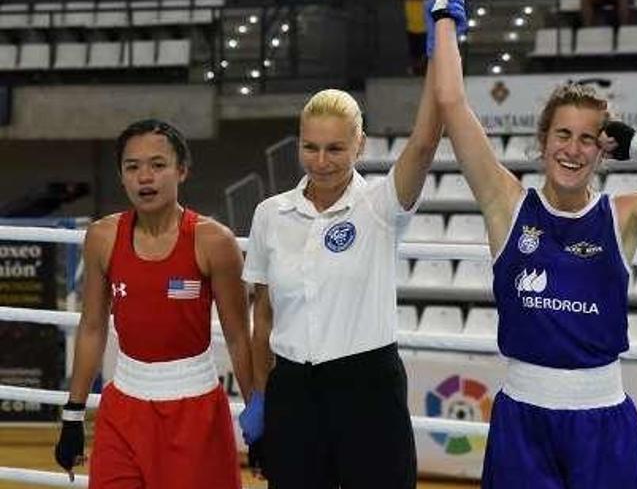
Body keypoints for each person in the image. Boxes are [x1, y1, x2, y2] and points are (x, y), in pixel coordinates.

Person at [429, 0, 637, 487]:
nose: (572, 150)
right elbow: (451, 104)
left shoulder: (624, 215)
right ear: (543, 140)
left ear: (603, 149)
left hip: (603, 421)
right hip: (522, 420)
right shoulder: (507, 204)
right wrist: (443, 16)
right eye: (562, 135)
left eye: (587, 139)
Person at [238, 33, 448, 486]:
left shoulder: (380, 206)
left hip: (368, 389)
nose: (321, 160)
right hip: (292, 393)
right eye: (310, 146)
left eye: (335, 148)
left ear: (360, 145)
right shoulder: (270, 214)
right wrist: (260, 395)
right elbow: (264, 315)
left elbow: (427, 139)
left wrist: (439, 47)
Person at [53, 119, 255, 488]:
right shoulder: (103, 237)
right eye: (133, 167)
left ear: (182, 170)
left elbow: (239, 336)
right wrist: (73, 414)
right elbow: (92, 327)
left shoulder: (213, 241)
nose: (145, 177)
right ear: (122, 176)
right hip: (123, 408)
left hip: (195, 411)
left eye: (158, 165)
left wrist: (258, 418)